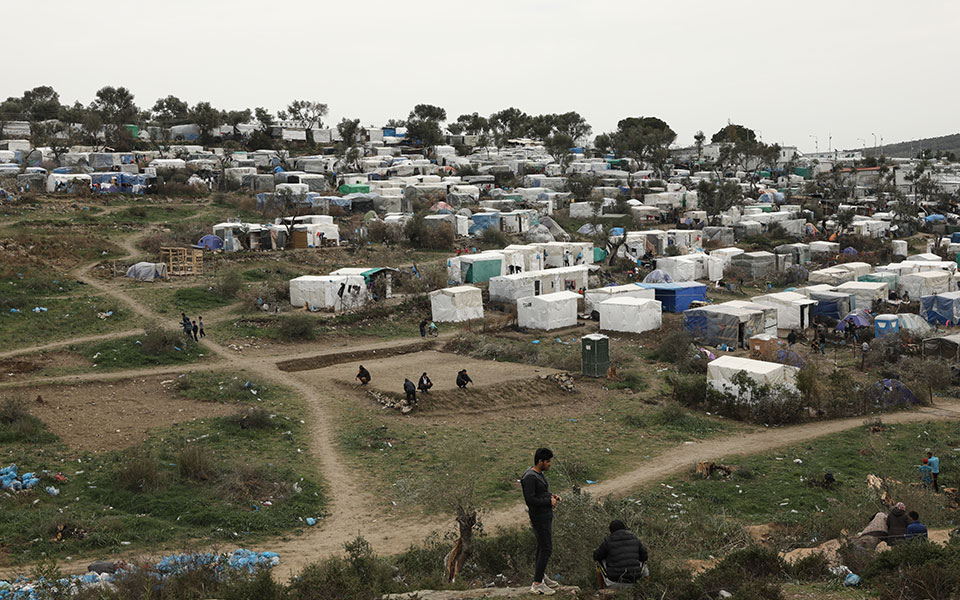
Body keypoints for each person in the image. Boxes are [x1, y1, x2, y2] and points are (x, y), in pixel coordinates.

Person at [522, 448, 561, 595]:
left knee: (542, 547)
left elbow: (541, 493)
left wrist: (552, 496)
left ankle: (541, 575)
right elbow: (530, 499)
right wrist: (548, 501)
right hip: (539, 517)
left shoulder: (538, 474)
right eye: (548, 461)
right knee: (546, 548)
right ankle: (537, 584)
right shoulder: (530, 477)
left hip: (544, 515)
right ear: (540, 461)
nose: (550, 464)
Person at [594, 520, 649, 588]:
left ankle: (601, 588)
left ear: (611, 531)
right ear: (624, 528)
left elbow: (596, 556)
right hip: (634, 580)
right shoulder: (635, 538)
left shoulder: (608, 541)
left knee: (599, 561)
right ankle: (647, 586)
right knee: (644, 562)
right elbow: (645, 556)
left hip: (614, 581)